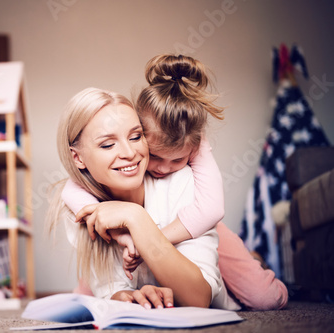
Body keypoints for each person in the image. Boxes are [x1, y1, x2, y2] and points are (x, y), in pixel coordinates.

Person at [62, 54, 288, 311]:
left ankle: (255, 260)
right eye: (155, 156)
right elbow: (71, 188)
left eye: (177, 160)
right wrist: (112, 231)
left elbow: (211, 210)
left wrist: (140, 230)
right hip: (161, 224)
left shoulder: (192, 149)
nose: (162, 169)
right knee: (84, 297)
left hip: (199, 219)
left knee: (264, 298)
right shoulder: (134, 145)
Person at [47, 87, 238, 310]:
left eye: (136, 136)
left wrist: (135, 217)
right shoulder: (77, 208)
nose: (129, 152)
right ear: (78, 158)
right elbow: (111, 288)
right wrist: (123, 297)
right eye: (108, 144)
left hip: (211, 241)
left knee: (264, 297)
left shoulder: (181, 181)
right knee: (83, 297)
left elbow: (199, 299)